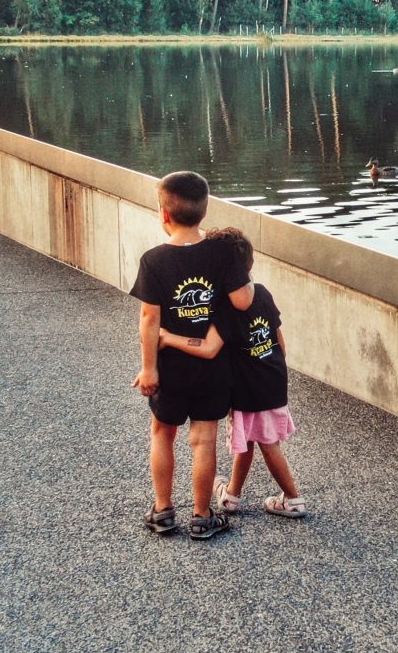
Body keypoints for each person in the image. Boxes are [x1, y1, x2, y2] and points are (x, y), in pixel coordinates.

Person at [131, 172, 254, 540]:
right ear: (205, 211)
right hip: (212, 369)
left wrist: (149, 368)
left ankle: (163, 511)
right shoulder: (221, 253)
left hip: (171, 369)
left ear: (164, 214)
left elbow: (149, 319)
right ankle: (202, 517)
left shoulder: (153, 260)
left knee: (162, 433)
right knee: (204, 439)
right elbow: (243, 300)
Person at [159, 227, 306, 519]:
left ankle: (293, 499)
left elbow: (209, 348)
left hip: (248, 389)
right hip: (272, 380)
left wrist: (167, 338)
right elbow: (280, 342)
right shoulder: (262, 292)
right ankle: (232, 496)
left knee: (267, 445)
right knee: (248, 440)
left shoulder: (225, 308)